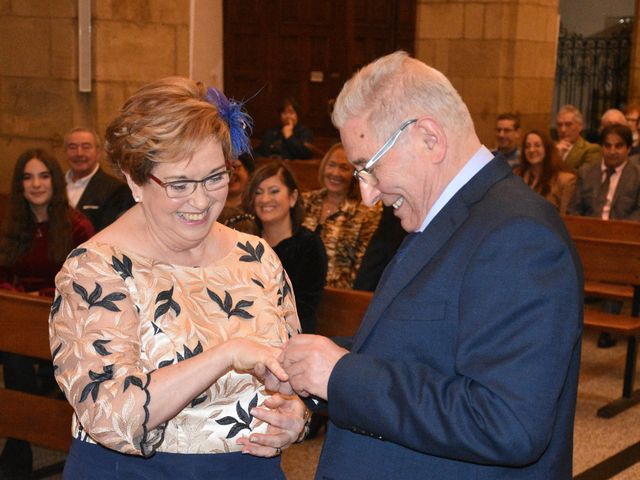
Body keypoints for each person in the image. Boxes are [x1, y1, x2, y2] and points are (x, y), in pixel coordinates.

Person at [274, 51, 583, 479]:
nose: (367, 195)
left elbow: (507, 423)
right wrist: (307, 368)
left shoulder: (518, 236)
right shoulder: (453, 215)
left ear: (429, 139)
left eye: (368, 167)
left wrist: (340, 375)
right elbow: (417, 349)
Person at [49, 78, 308, 479]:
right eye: (180, 184)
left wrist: (295, 417)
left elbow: (291, 375)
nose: (202, 200)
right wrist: (225, 354)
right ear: (135, 181)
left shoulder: (256, 257)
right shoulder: (96, 269)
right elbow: (110, 418)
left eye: (215, 177)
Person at [0, 148, 94, 478]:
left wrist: (38, 296)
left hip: (62, 320)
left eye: (43, 175)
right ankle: (20, 438)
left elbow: (83, 281)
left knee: (17, 359)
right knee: (15, 354)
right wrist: (14, 295)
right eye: (27, 177)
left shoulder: (77, 226)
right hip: (17, 318)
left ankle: (19, 443)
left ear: (55, 181)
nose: (36, 184)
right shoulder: (10, 224)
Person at [244, 161, 327, 334]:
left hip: (290, 337)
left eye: (274, 191)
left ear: (293, 197)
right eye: (258, 192)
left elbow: (304, 308)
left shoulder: (309, 245)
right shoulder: (246, 243)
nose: (265, 199)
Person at [301, 143, 382, 288]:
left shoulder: (367, 212)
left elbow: (362, 265)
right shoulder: (305, 201)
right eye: (331, 165)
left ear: (355, 174)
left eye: (344, 168)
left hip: (339, 295)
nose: (335, 173)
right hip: (298, 290)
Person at [64, 127, 136, 231]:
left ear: (98, 152)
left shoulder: (118, 190)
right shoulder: (54, 185)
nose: (79, 153)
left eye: (86, 147)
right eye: (73, 147)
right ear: (65, 151)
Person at [568, 123, 640, 221]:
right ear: (601, 147)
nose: (612, 151)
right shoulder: (586, 172)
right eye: (607, 146)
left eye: (618, 146)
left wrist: (616, 231)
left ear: (628, 149)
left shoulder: (637, 176)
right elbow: (574, 210)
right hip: (588, 231)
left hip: (623, 232)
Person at [515, 130, 576, 214]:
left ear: (547, 149)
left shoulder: (565, 180)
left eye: (537, 145)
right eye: (527, 146)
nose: (531, 150)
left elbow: (565, 217)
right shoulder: (516, 176)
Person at [219, 153, 259, 234]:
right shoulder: (211, 210)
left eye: (235, 167)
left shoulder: (258, 208)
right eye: (224, 169)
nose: (230, 174)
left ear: (248, 171)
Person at [555, 104, 601, 171]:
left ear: (580, 126)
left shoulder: (591, 150)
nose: (563, 130)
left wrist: (557, 159)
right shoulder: (552, 148)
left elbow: (583, 176)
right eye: (559, 125)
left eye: (568, 124)